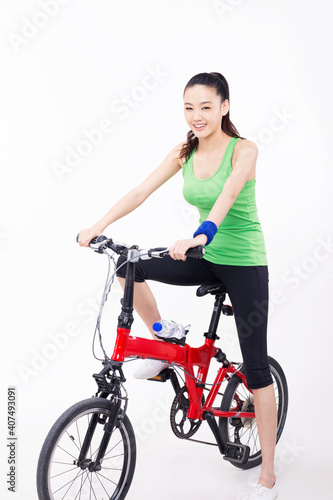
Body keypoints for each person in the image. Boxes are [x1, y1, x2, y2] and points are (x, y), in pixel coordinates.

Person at [78, 72, 278, 500]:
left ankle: (268, 476)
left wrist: (202, 233)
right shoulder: (184, 150)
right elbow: (140, 191)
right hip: (205, 257)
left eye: (206, 106)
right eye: (189, 108)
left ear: (225, 106)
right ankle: (163, 336)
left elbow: (226, 195)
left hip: (244, 264)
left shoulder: (245, 150)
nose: (197, 116)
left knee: (257, 369)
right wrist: (98, 225)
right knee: (128, 265)